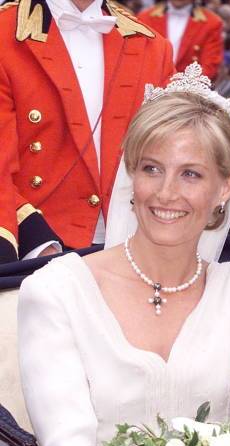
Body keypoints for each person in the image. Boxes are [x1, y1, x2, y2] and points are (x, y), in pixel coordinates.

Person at [18, 64, 230, 446]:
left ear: (225, 188)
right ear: (132, 174)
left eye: (190, 174)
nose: (166, 193)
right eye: (152, 169)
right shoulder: (56, 290)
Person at [0, 0, 174, 264]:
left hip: (128, 251)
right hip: (34, 251)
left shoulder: (152, 46)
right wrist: (37, 244)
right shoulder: (4, 33)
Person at [137, 0, 223, 79]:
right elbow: (138, 59)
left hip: (187, 91)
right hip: (149, 86)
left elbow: (210, 66)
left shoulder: (212, 23)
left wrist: (181, 89)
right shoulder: (145, 18)